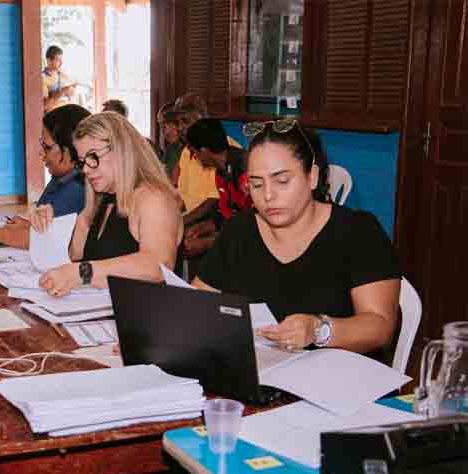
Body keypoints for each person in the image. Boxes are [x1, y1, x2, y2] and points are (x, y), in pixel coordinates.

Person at [194, 119, 401, 355]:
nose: (268, 195)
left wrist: (319, 330)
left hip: (336, 377)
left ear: (312, 176)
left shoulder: (357, 231)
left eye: (282, 181)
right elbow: (200, 299)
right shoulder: (239, 230)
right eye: (257, 184)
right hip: (260, 375)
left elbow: (380, 327)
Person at [33, 112, 183, 296]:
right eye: (82, 162)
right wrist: (51, 224)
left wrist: (83, 272)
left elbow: (158, 266)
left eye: (93, 157)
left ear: (122, 151)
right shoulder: (106, 198)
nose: (86, 168)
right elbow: (75, 257)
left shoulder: (153, 197)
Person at [0, 104, 90, 249]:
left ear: (71, 149)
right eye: (42, 144)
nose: (41, 153)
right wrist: (27, 224)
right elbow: (42, 225)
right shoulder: (60, 178)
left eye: (47, 147)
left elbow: (44, 239)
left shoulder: (77, 188)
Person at [181, 118, 251, 258]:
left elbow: (252, 225)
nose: (195, 157)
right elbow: (228, 214)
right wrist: (203, 228)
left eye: (195, 152)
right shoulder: (221, 171)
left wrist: (209, 242)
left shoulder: (245, 169)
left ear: (205, 150)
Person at [43, 45, 76, 112]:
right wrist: (63, 91)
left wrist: (71, 91)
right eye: (58, 60)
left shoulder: (63, 76)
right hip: (53, 116)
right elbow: (45, 106)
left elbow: (70, 96)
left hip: (67, 112)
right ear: (49, 60)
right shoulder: (42, 79)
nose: (61, 63)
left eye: (61, 60)